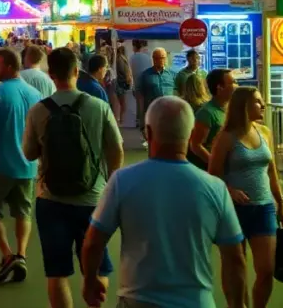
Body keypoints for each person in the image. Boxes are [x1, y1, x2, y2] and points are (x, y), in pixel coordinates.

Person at [81, 96, 246, 308]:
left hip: (137, 302)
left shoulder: (122, 181)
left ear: (148, 133)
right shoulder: (215, 188)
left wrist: (90, 281)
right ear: (191, 132)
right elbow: (234, 259)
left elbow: (93, 242)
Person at [23, 47, 123, 308]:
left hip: (51, 198)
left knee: (57, 272)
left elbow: (29, 153)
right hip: (93, 198)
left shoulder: (38, 111)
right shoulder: (99, 107)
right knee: (98, 266)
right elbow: (116, 151)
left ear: (51, 74)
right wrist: (111, 186)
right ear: (77, 71)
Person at [209, 86, 283, 308]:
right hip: (234, 209)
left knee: (266, 269)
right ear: (244, 105)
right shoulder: (226, 137)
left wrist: (279, 201)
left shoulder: (265, 132)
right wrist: (231, 191)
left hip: (263, 207)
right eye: (258, 101)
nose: (262, 106)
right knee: (235, 264)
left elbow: (271, 170)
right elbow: (213, 174)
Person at [0, 47, 42, 284]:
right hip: (28, 166)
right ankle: (21, 255)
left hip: (2, 164)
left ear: (11, 67)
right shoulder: (34, 94)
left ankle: (6, 255)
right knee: (23, 212)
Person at [188, 68, 235, 169]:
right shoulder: (206, 113)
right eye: (233, 83)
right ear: (220, 87)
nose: (236, 86)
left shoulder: (231, 109)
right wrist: (215, 164)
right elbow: (196, 145)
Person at [135, 48, 177, 148]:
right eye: (159, 58)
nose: (161, 60)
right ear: (153, 59)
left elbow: (177, 92)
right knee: (154, 139)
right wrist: (141, 116)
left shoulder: (172, 74)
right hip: (153, 111)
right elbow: (139, 96)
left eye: (163, 58)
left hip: (169, 112)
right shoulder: (145, 75)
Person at [113, 44, 132, 126]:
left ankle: (121, 120)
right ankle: (121, 121)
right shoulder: (121, 59)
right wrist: (128, 77)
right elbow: (123, 71)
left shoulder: (120, 58)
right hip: (122, 84)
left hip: (122, 83)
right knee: (123, 104)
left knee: (122, 104)